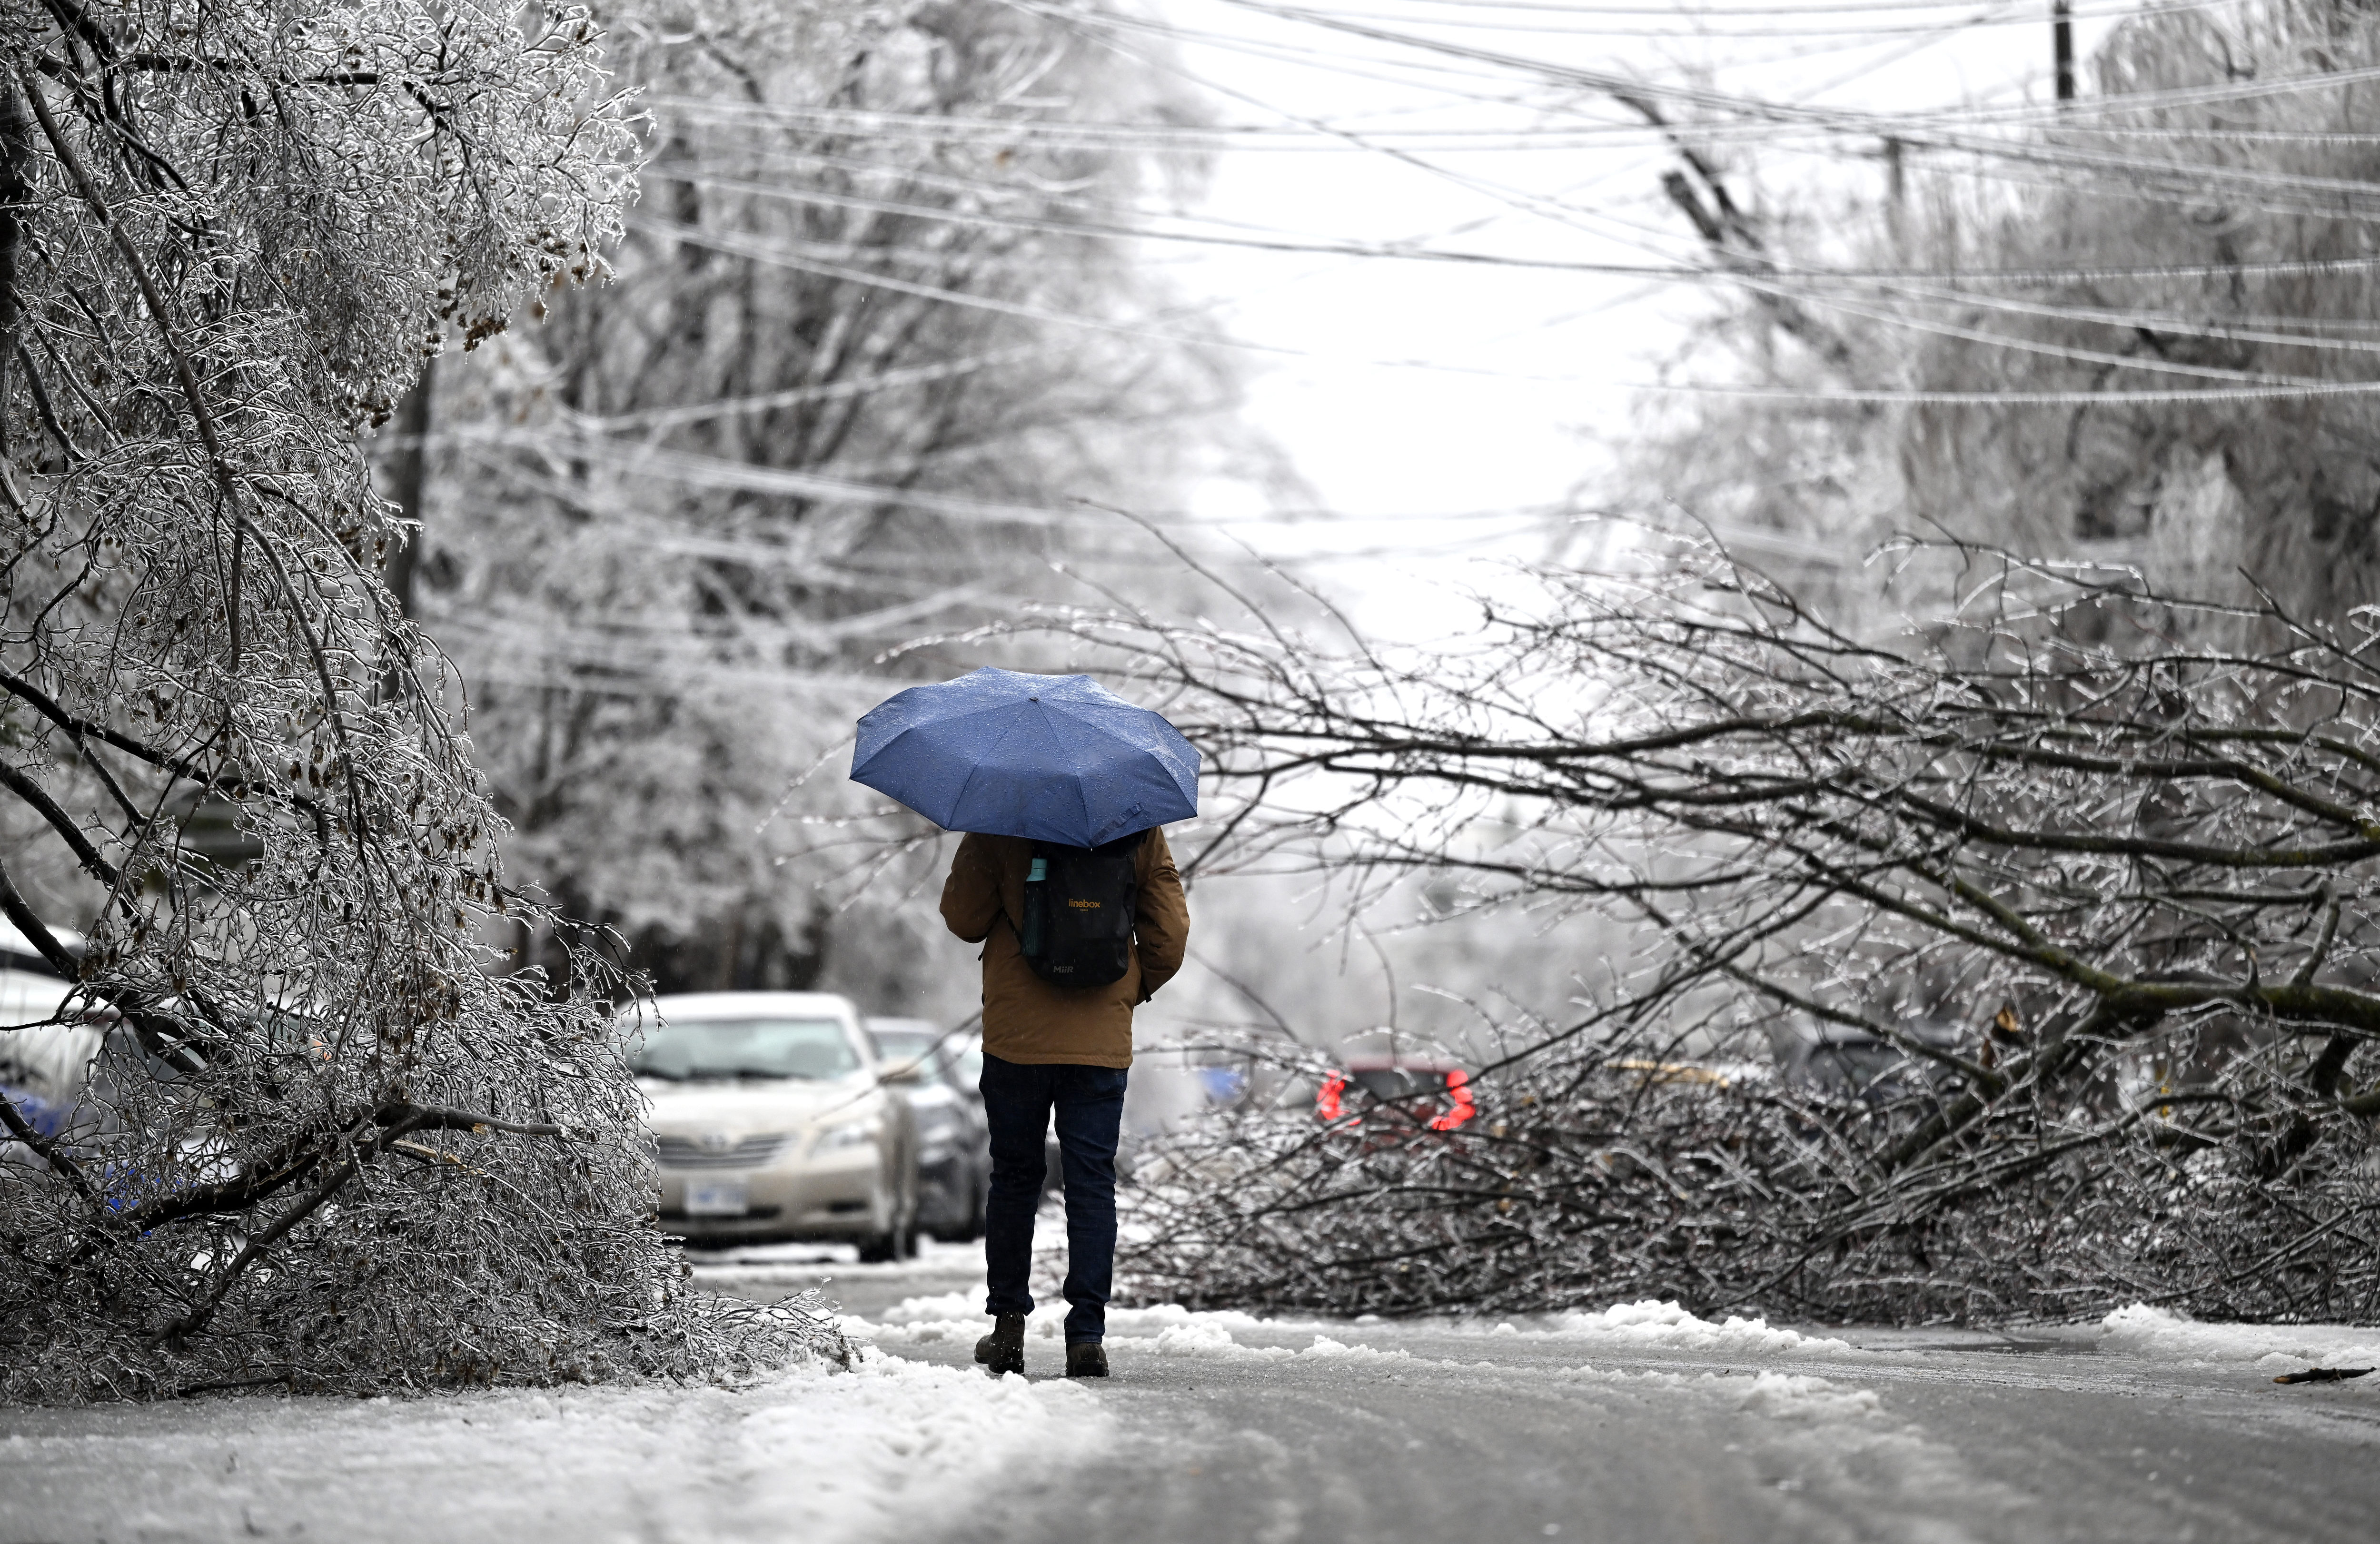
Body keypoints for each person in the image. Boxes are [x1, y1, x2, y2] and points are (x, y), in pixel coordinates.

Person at [939, 825, 1188, 1378]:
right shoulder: (1137, 824)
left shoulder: (1001, 816)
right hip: (1098, 1043)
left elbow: (963, 918)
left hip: (1015, 1039)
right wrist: (1125, 988)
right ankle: (1086, 1334)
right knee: (1091, 1182)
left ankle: (1008, 1326)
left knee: (1015, 1177)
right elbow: (1169, 936)